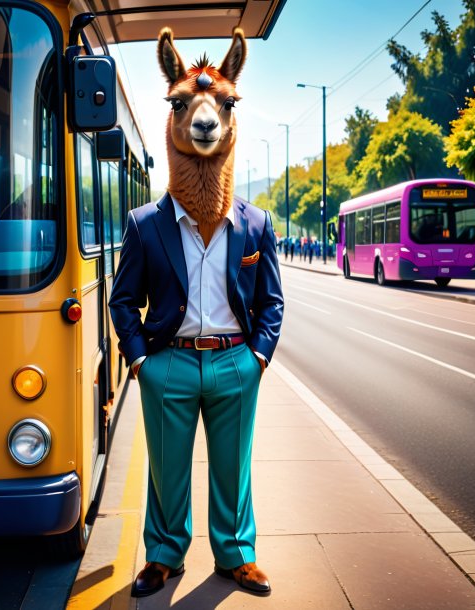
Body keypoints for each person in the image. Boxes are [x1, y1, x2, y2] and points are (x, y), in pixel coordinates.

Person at [109, 27, 284, 599]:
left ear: (232, 115)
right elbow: (121, 300)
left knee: (234, 469)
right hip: (170, 364)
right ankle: (164, 555)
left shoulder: (255, 225)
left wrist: (258, 355)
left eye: (222, 105)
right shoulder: (145, 225)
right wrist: (141, 362)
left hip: (235, 361)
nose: (205, 116)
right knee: (166, 471)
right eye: (184, 105)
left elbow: (271, 300)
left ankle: (237, 554)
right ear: (175, 116)